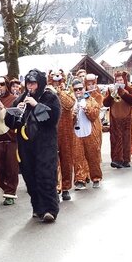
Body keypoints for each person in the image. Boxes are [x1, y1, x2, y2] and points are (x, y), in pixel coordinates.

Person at [6, 68, 61, 222]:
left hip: (45, 144)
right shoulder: (22, 98)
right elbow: (10, 123)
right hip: (26, 146)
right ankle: (38, 207)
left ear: (40, 84)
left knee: (46, 176)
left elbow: (52, 119)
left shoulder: (49, 96)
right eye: (29, 83)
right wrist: (16, 112)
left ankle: (50, 209)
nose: (31, 87)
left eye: (34, 83)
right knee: (30, 177)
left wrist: (37, 105)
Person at [0, 77, 20, 206]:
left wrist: (2, 107)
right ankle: (6, 188)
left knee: (11, 168)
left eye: (2, 85)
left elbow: (11, 118)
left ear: (6, 86)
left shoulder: (13, 100)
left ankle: (10, 192)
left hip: (11, 139)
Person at [49, 70, 76, 201]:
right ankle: (54, 187)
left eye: (58, 81)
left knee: (66, 160)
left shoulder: (67, 91)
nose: (56, 83)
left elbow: (70, 104)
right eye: (54, 81)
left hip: (66, 132)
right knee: (52, 161)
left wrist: (59, 92)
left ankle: (65, 188)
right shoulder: (46, 92)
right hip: (51, 131)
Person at [71, 78, 103, 189]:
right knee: (78, 157)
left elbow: (95, 115)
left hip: (90, 132)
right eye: (76, 90)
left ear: (84, 89)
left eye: (80, 89)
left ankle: (96, 178)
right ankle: (80, 179)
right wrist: (73, 114)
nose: (78, 91)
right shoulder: (71, 102)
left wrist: (86, 108)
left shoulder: (90, 100)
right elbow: (67, 120)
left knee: (93, 155)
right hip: (76, 133)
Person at [104, 70, 132, 168]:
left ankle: (126, 159)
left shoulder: (130, 89)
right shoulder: (111, 89)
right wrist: (111, 95)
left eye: (121, 80)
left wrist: (123, 93)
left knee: (126, 139)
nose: (119, 82)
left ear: (124, 80)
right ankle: (116, 159)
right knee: (115, 139)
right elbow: (105, 103)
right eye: (117, 80)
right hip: (115, 118)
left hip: (126, 118)